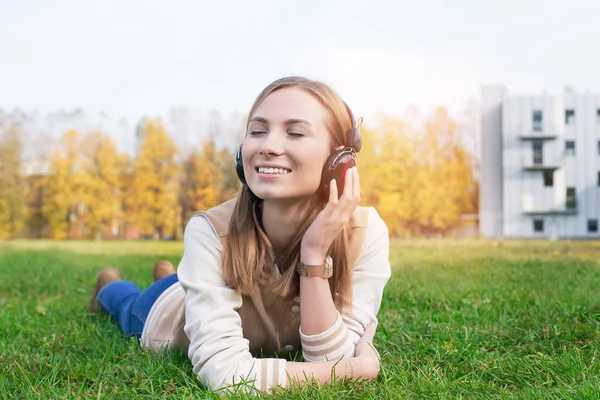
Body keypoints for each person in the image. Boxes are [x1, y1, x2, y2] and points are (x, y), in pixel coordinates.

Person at [90, 76, 392, 394]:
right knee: (127, 305)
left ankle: (172, 273)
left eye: (295, 132)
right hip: (166, 311)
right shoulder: (209, 230)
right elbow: (226, 376)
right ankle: (108, 286)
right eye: (258, 131)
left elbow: (329, 357)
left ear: (340, 160)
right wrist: (351, 370)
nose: (268, 146)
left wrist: (314, 255)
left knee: (187, 279)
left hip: (206, 286)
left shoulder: (366, 232)